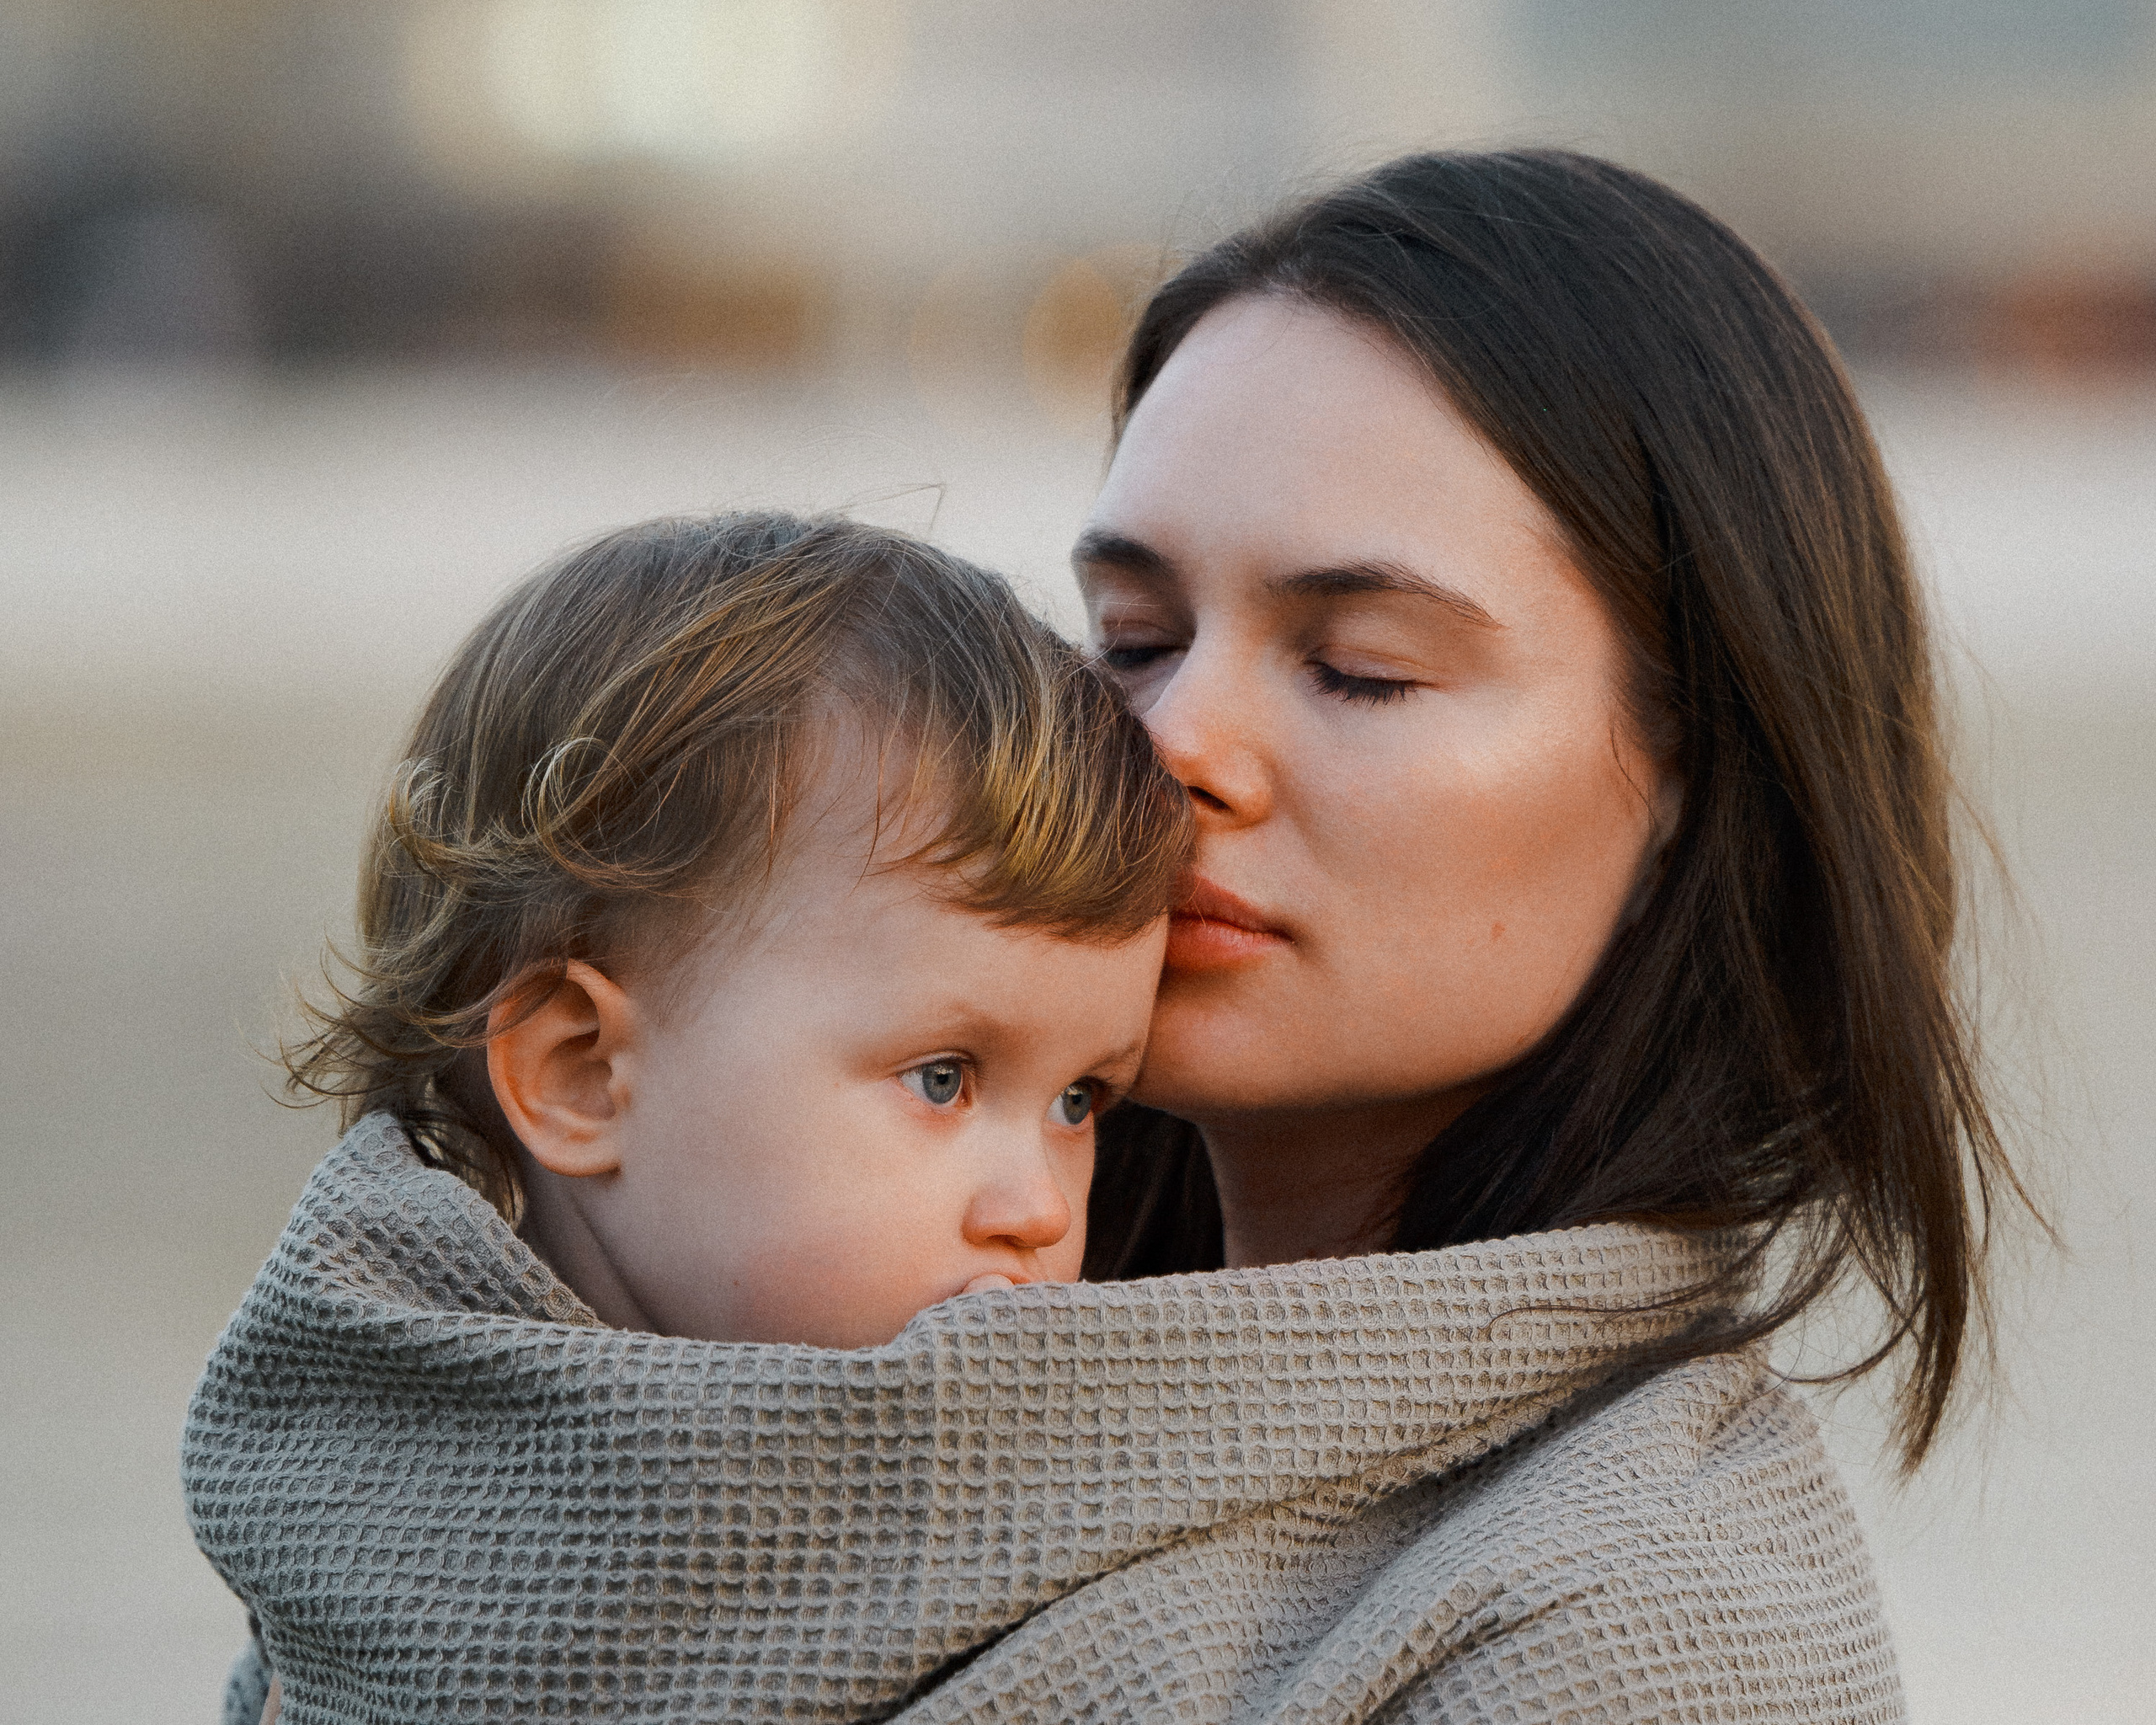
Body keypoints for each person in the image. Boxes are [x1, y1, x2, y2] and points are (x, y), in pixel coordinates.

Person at [1070, 147, 2026, 1709]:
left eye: (1362, 667)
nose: (1173, 744)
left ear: (1698, 782)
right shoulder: (814, 1327)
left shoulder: (1638, 1631)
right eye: (1134, 641)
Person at [184, 510, 1190, 1722]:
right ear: (581, 1075)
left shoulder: (1089, 1523)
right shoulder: (350, 1524)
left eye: (1080, 1101)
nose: (1038, 1211)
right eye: (942, 1078)